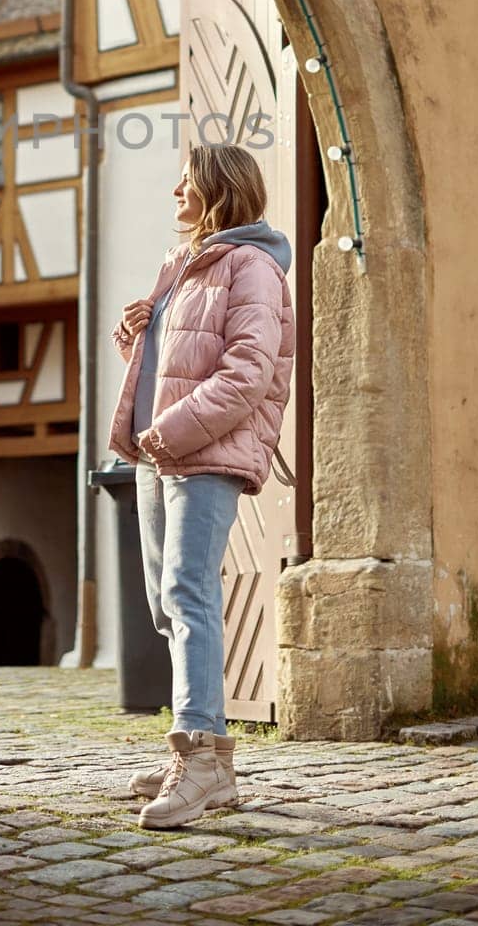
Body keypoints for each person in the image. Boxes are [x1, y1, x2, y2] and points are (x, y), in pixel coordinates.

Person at [108, 142, 296, 830]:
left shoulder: (252, 267)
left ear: (217, 190)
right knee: (166, 602)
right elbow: (180, 361)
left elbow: (246, 373)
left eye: (186, 184)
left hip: (202, 453)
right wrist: (137, 335)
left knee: (190, 593)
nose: (176, 195)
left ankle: (201, 761)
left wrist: (173, 433)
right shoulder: (183, 265)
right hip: (159, 453)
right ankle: (208, 754)